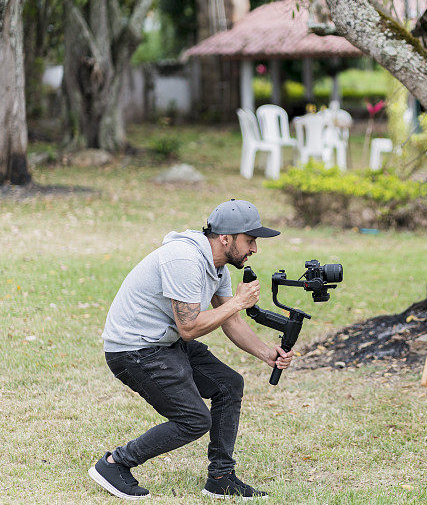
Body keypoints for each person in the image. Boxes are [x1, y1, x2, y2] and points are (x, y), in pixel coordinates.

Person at [90, 199, 293, 500]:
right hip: (134, 350)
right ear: (226, 238)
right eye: (250, 240)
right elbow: (189, 327)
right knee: (194, 419)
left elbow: (230, 320)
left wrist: (266, 353)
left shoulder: (218, 267)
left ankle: (221, 478)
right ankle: (114, 464)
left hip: (165, 343)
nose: (254, 249)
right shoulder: (184, 260)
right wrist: (239, 301)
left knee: (229, 385)